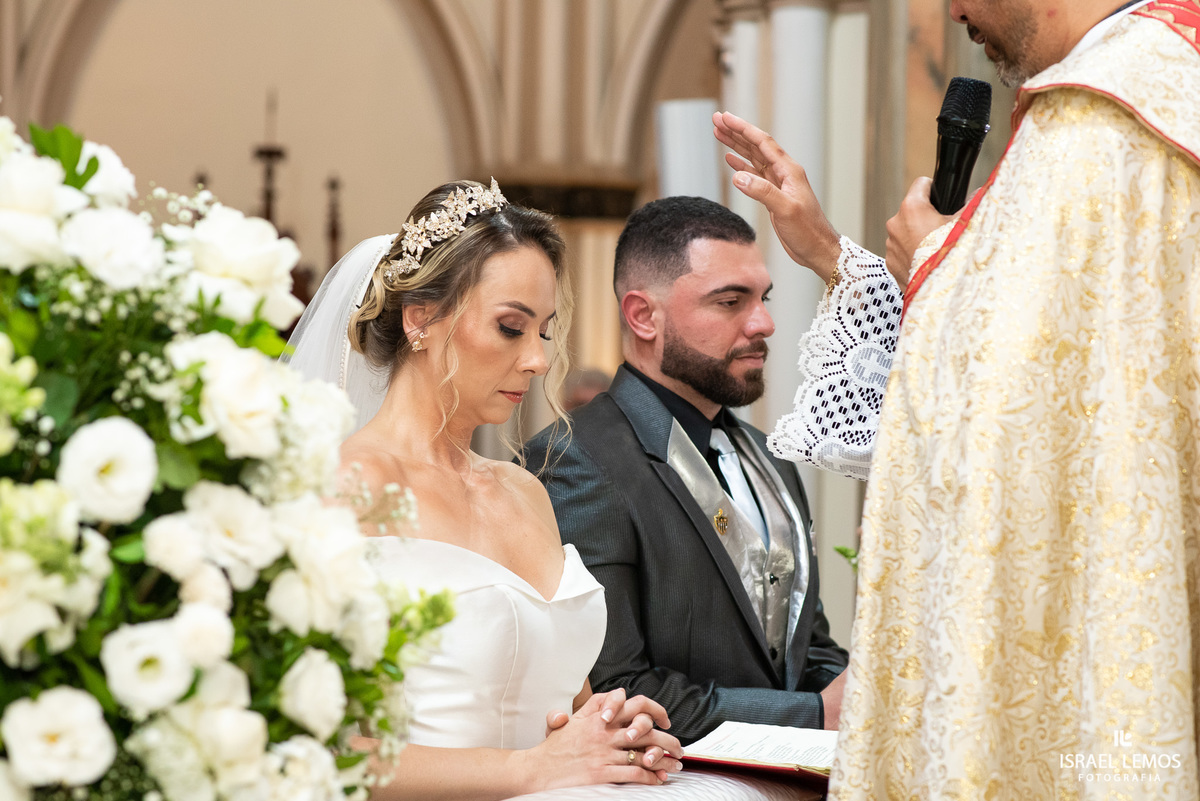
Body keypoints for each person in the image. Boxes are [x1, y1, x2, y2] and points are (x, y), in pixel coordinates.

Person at [713, 0, 1200, 796]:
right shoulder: (1160, 91)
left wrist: (934, 263)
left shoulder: (1099, 125)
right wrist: (846, 256)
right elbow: (1071, 394)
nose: (951, 11)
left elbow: (1004, 427)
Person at [285, 179, 684, 801]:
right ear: (421, 320)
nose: (537, 359)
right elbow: (317, 748)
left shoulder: (526, 491)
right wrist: (533, 769)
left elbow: (562, 707)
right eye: (510, 327)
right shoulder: (345, 486)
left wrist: (610, 732)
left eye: (544, 331)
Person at [522, 196, 849, 746]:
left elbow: (803, 646)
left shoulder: (774, 459)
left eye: (763, 299)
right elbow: (613, 691)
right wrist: (814, 715)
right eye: (730, 302)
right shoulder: (575, 460)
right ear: (643, 315)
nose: (764, 323)